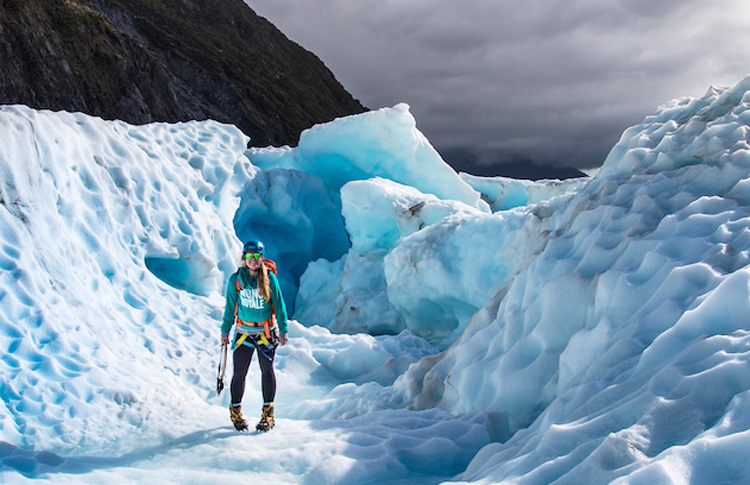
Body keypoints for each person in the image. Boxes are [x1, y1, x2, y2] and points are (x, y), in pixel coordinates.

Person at [221, 239, 288, 431]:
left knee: (267, 371)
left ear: (261, 257)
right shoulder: (236, 280)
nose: (253, 259)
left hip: (265, 332)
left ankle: (268, 414)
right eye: (249, 256)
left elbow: (279, 304)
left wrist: (283, 329)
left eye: (257, 256)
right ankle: (236, 412)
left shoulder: (269, 279)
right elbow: (229, 306)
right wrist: (225, 330)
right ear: (244, 257)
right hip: (244, 333)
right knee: (239, 373)